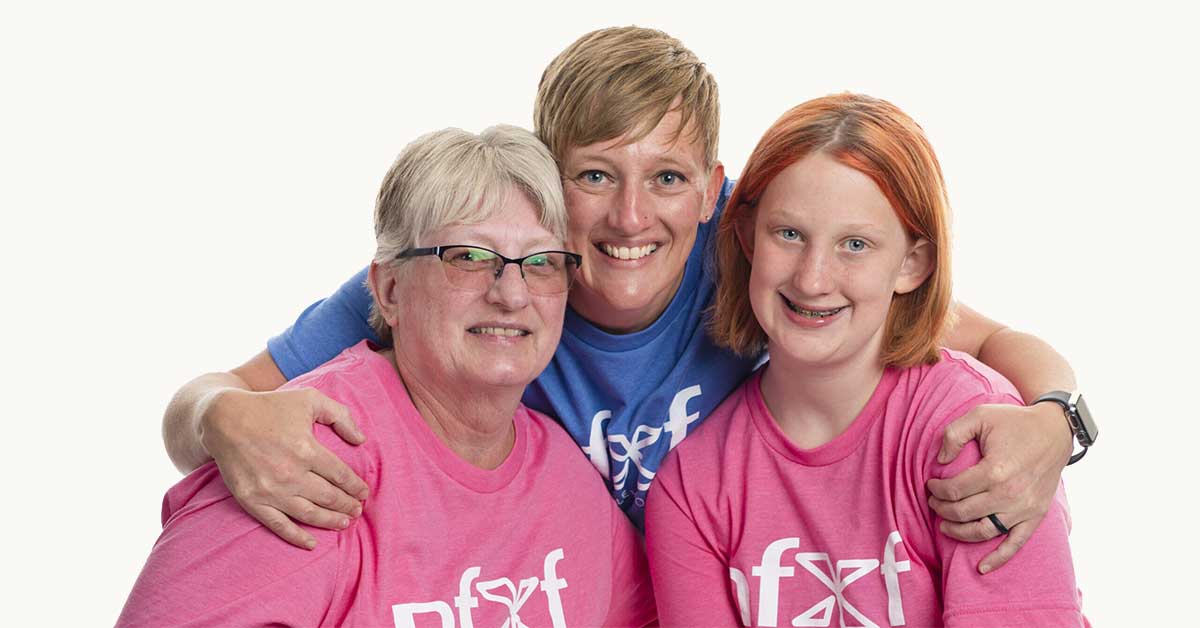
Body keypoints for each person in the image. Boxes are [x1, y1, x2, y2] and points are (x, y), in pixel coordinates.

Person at [162, 27, 1081, 572]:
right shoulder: (482, 276)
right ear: (545, 181)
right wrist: (222, 420)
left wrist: (1054, 420)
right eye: (595, 175)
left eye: (667, 178)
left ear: (713, 190)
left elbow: (979, 335)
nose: (632, 216)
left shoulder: (758, 256)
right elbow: (208, 400)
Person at [119, 126, 655, 627]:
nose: (511, 294)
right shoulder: (300, 460)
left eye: (540, 262)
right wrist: (211, 410)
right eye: (468, 256)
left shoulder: (568, 481)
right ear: (389, 290)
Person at [645, 94, 1086, 627]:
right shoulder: (691, 486)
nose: (812, 279)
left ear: (912, 264)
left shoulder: (972, 435)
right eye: (789, 234)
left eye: (854, 244)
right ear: (746, 236)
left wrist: (1060, 413)